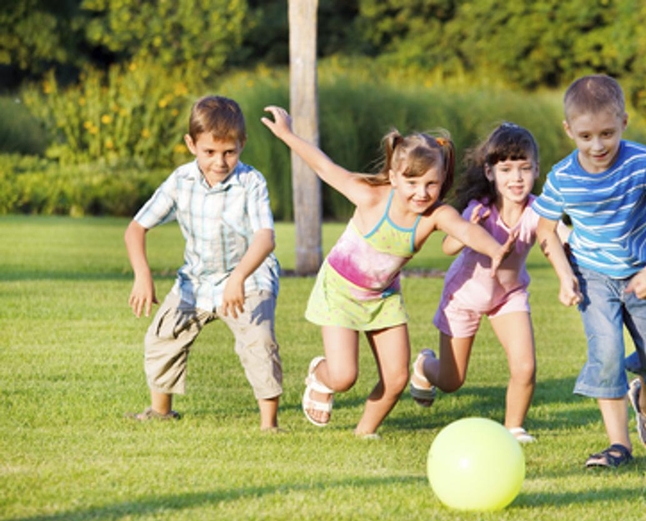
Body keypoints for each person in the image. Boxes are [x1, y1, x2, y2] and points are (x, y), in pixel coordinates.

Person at [260, 106, 513, 438]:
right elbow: (324, 166)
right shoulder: (369, 196)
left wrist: (495, 249)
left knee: (395, 379)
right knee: (344, 376)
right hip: (339, 292)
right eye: (411, 182)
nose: (421, 193)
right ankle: (322, 376)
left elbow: (465, 231)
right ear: (394, 177)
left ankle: (363, 434)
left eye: (431, 183)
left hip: (383, 298)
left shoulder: (435, 215)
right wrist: (288, 135)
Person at [532, 74, 646, 468]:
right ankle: (619, 445)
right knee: (606, 354)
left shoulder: (641, 161)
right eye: (586, 136)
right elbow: (544, 228)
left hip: (642, 274)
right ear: (569, 130)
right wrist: (565, 275)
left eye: (607, 133)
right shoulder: (563, 177)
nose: (597, 145)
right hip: (593, 277)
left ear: (624, 122)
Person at [124, 95, 283, 432]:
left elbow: (265, 238)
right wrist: (142, 274)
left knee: (259, 341)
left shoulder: (251, 183)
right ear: (191, 144)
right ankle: (160, 412)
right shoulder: (181, 181)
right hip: (196, 281)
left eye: (230, 152)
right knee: (163, 335)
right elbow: (136, 228)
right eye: (209, 152)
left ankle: (269, 425)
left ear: (242, 144)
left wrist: (239, 276)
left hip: (249, 277)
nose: (220, 161)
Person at [408, 122, 569, 444]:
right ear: (490, 172)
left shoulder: (538, 210)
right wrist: (468, 227)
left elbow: (559, 237)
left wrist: (574, 266)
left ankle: (514, 428)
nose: (517, 178)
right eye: (506, 169)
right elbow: (448, 247)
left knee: (525, 366)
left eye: (524, 168)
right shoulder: (479, 209)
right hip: (464, 296)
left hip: (508, 296)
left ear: (537, 170)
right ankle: (425, 365)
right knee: (452, 381)